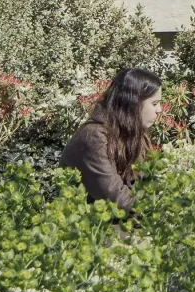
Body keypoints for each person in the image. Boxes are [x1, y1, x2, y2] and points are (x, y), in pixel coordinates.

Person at [61, 65, 163, 211]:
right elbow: (117, 199)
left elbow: (150, 184)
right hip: (87, 226)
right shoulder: (94, 137)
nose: (159, 109)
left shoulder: (136, 135)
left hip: (115, 222)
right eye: (154, 103)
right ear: (133, 103)